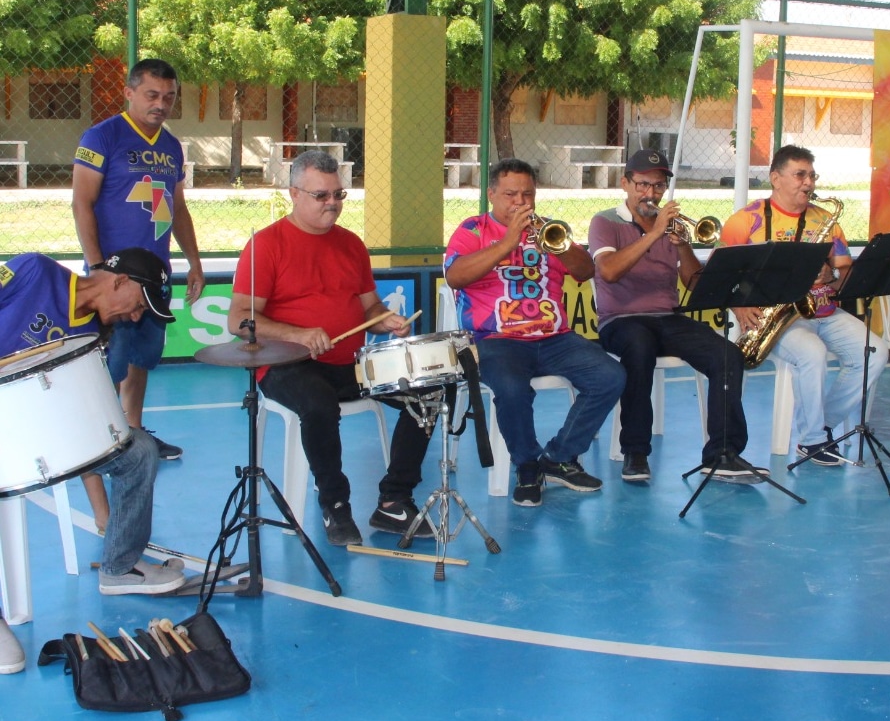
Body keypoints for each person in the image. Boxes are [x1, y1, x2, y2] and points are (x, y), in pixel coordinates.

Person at [229, 149, 436, 546]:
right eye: (321, 195)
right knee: (318, 403)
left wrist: (384, 319)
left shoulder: (351, 244)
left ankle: (394, 499)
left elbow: (369, 307)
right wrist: (298, 334)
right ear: (294, 194)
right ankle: (335, 504)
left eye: (338, 194)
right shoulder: (266, 245)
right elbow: (239, 319)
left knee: (428, 391)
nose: (332, 204)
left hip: (349, 363)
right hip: (288, 365)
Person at [0, 248, 191, 673]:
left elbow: (86, 427)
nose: (136, 317)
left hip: (44, 427)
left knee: (139, 450)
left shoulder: (91, 331)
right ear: (120, 281)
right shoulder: (34, 272)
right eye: (139, 305)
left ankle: (120, 566)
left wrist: (104, 515)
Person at [444, 158, 625, 507]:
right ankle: (527, 465)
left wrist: (561, 246)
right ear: (491, 194)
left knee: (610, 376)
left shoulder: (548, 229)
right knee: (511, 389)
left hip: (554, 336)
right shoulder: (473, 230)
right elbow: (455, 276)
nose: (520, 202)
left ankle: (558, 457)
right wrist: (507, 243)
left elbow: (585, 272)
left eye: (527, 194)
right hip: (495, 338)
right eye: (510, 194)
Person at [588, 149, 756, 482]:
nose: (650, 193)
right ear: (625, 183)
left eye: (658, 186)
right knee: (638, 348)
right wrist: (653, 233)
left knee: (727, 355)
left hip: (667, 317)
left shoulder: (670, 228)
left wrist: (681, 245)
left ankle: (722, 453)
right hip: (619, 320)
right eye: (642, 184)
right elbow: (608, 271)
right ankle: (635, 451)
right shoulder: (604, 221)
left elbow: (694, 283)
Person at [72, 57, 204, 469]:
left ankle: (133, 432)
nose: (160, 104)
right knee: (111, 362)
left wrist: (194, 262)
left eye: (169, 97)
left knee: (142, 357)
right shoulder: (101, 137)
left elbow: (177, 208)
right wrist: (97, 267)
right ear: (129, 92)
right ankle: (100, 442)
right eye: (151, 95)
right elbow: (81, 203)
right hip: (114, 278)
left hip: (156, 275)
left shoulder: (171, 146)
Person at [719, 144, 887, 464]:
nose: (808, 183)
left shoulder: (825, 219)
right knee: (812, 353)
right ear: (775, 178)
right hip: (776, 317)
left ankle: (822, 426)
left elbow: (845, 273)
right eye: (800, 175)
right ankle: (813, 441)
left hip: (824, 310)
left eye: (812, 175)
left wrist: (831, 275)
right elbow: (719, 273)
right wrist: (738, 307)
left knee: (875, 353)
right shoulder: (746, 220)